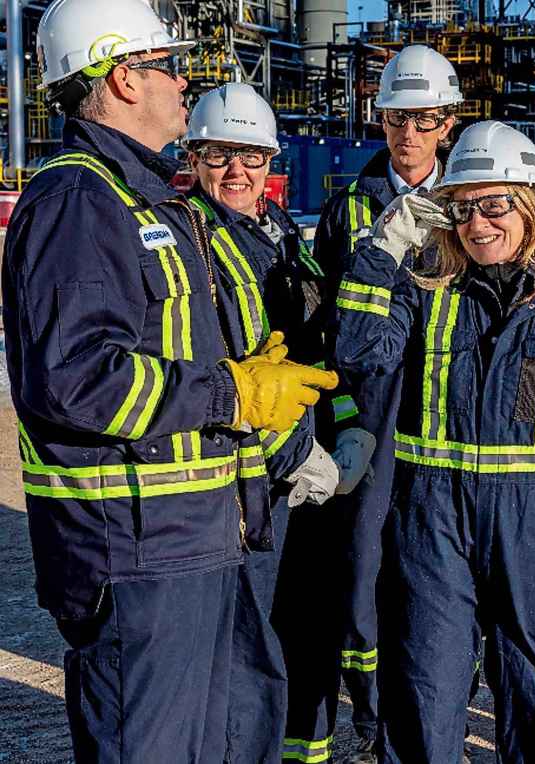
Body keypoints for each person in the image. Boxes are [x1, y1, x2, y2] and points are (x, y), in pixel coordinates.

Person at [1, 1, 338, 761]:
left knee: (234, 733)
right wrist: (232, 393)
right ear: (125, 78)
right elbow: (74, 378)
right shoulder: (82, 202)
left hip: (198, 537)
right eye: (169, 66)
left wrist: (250, 379)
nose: (185, 82)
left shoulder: (147, 199)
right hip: (136, 550)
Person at [334, 120, 535, 762]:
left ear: (531, 206)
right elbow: (360, 354)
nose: (478, 224)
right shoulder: (424, 289)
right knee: (424, 687)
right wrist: (381, 252)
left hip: (534, 520)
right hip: (430, 520)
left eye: (494, 205)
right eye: (463, 208)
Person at [181, 82, 376, 762]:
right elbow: (234, 368)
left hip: (308, 470)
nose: (237, 170)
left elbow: (314, 347)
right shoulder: (193, 242)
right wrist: (297, 455)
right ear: (193, 157)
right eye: (219, 155)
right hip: (255, 480)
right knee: (252, 648)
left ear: (271, 161)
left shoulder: (280, 232)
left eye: (252, 156)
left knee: (309, 631)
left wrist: (346, 425)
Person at [309, 43, 462, 762]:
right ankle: (374, 722)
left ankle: (439, 718)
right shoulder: (349, 207)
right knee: (365, 568)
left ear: (447, 123)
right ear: (382, 120)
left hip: (448, 411)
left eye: (424, 119)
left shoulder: (471, 198)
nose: (409, 132)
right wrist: (344, 419)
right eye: (398, 117)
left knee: (442, 571)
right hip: (373, 410)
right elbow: (326, 325)